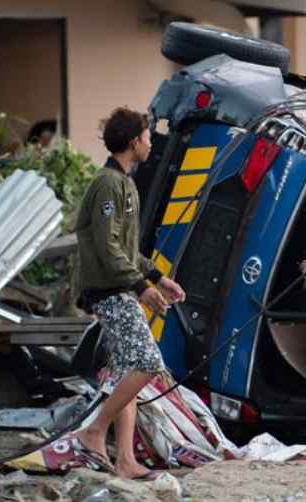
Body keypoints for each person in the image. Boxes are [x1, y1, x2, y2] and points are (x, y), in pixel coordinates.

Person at [74, 107, 185, 479]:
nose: (151, 143)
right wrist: (141, 288)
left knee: (126, 373)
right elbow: (107, 247)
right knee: (148, 363)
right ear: (134, 141)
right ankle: (93, 431)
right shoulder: (108, 183)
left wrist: (158, 277)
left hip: (119, 286)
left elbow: (125, 249)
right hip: (110, 290)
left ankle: (124, 460)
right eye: (147, 137)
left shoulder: (122, 182)